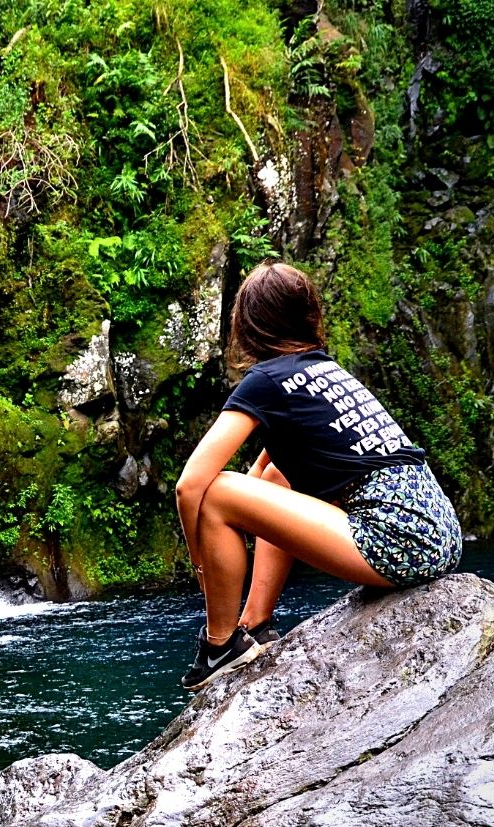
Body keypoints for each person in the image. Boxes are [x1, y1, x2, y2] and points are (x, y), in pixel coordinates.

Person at [175, 261, 462, 691]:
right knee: (273, 477)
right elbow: (263, 480)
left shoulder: (266, 380)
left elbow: (190, 485)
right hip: (438, 533)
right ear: (308, 315)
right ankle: (254, 625)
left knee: (217, 491)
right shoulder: (323, 371)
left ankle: (219, 646)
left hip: (399, 541)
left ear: (248, 323)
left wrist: (199, 557)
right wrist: (241, 521)